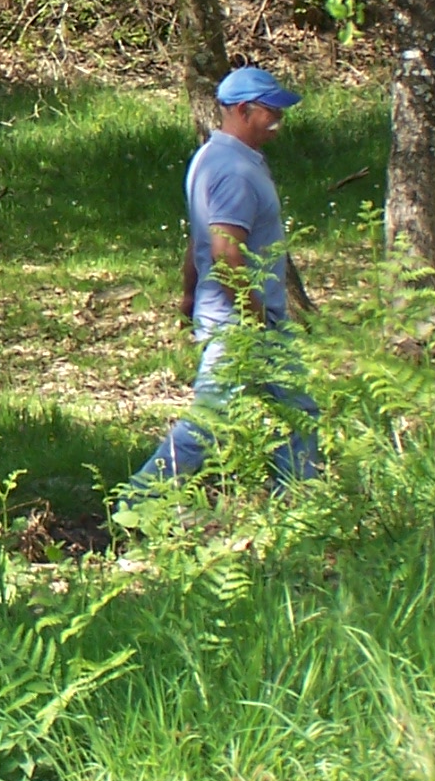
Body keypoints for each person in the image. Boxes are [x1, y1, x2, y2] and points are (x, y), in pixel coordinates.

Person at [132, 65, 320, 488]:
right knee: (208, 423)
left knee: (298, 413)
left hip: (237, 316)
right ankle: (136, 500)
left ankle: (299, 501)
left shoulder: (211, 158)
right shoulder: (234, 171)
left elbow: (196, 239)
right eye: (271, 111)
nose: (279, 120)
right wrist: (253, 317)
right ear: (242, 110)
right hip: (243, 322)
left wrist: (187, 297)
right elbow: (223, 251)